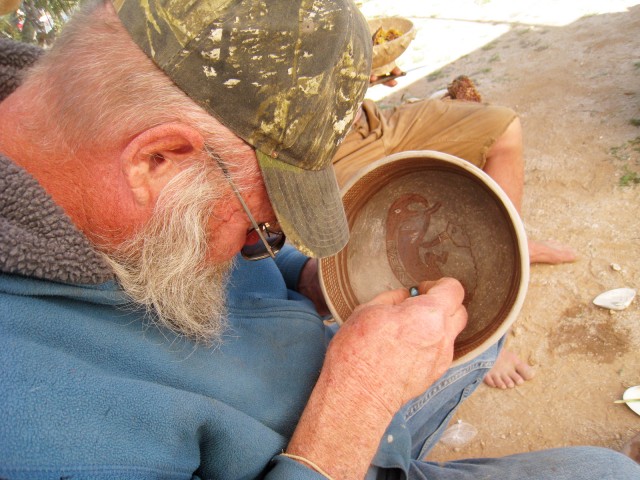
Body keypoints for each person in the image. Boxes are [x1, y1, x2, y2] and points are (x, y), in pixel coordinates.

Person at [0, 0, 638, 478]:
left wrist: (310, 278)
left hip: (344, 382)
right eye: (264, 218)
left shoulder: (71, 134)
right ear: (156, 162)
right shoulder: (27, 425)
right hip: (336, 442)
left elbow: (251, 259)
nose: (264, 240)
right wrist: (358, 397)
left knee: (480, 323)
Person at [331, 66, 577, 390]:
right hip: (322, 150)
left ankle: (514, 248)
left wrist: (361, 68)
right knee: (378, 229)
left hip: (368, 120)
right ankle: (480, 337)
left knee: (502, 127)